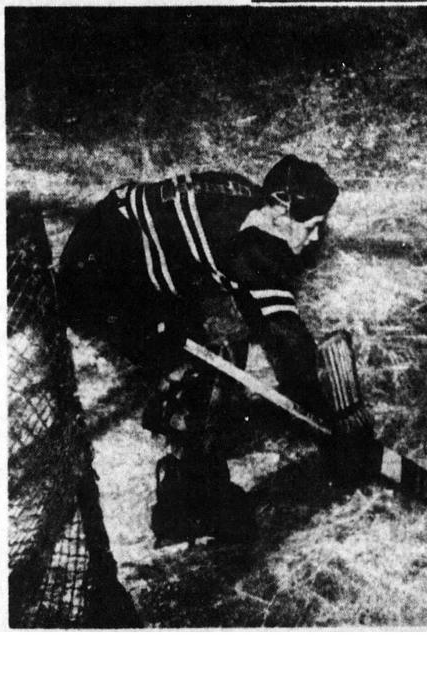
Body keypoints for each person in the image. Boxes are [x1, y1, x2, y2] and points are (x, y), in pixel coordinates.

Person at [57, 155, 344, 545]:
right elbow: (285, 336)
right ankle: (183, 507)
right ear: (279, 208)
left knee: (223, 337)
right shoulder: (242, 249)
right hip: (96, 281)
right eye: (309, 227)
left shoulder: (246, 205)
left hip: (124, 249)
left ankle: (189, 455)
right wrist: (329, 419)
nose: (314, 239)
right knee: (202, 369)